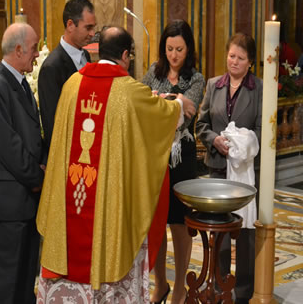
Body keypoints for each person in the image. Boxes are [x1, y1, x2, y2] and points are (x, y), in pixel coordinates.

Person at [36, 26, 197, 303]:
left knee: (70, 239)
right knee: (107, 241)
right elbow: (161, 116)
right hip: (105, 204)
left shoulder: (72, 85)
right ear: (125, 55)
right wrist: (179, 105)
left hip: (73, 190)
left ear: (99, 52)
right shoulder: (129, 91)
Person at [0, 23, 46, 304]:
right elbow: (9, 147)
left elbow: (31, 135)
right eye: (33, 48)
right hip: (7, 203)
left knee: (25, 277)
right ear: (18, 50)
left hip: (23, 201)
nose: (37, 55)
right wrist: (37, 176)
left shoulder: (19, 83)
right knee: (5, 281)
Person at [196, 32, 262, 304]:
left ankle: (245, 290)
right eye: (231, 56)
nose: (234, 62)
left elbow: (261, 128)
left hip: (245, 170)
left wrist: (243, 146)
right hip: (218, 167)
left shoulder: (258, 88)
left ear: (251, 62)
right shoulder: (214, 85)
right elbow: (201, 125)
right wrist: (216, 140)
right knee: (219, 230)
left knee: (245, 233)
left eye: (241, 58)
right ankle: (220, 284)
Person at [143, 19, 205, 304]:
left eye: (179, 49)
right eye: (169, 48)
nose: (174, 55)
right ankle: (160, 283)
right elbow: (145, 107)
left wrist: (164, 101)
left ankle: (179, 286)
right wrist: (174, 100)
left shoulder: (196, 78)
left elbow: (186, 114)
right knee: (155, 221)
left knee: (179, 223)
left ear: (188, 48)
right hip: (155, 155)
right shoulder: (152, 73)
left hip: (183, 157)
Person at [38, 0, 97, 151]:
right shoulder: (52, 67)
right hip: (68, 151)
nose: (93, 33)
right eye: (88, 27)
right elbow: (52, 123)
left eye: (94, 27)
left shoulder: (86, 55)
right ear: (70, 25)